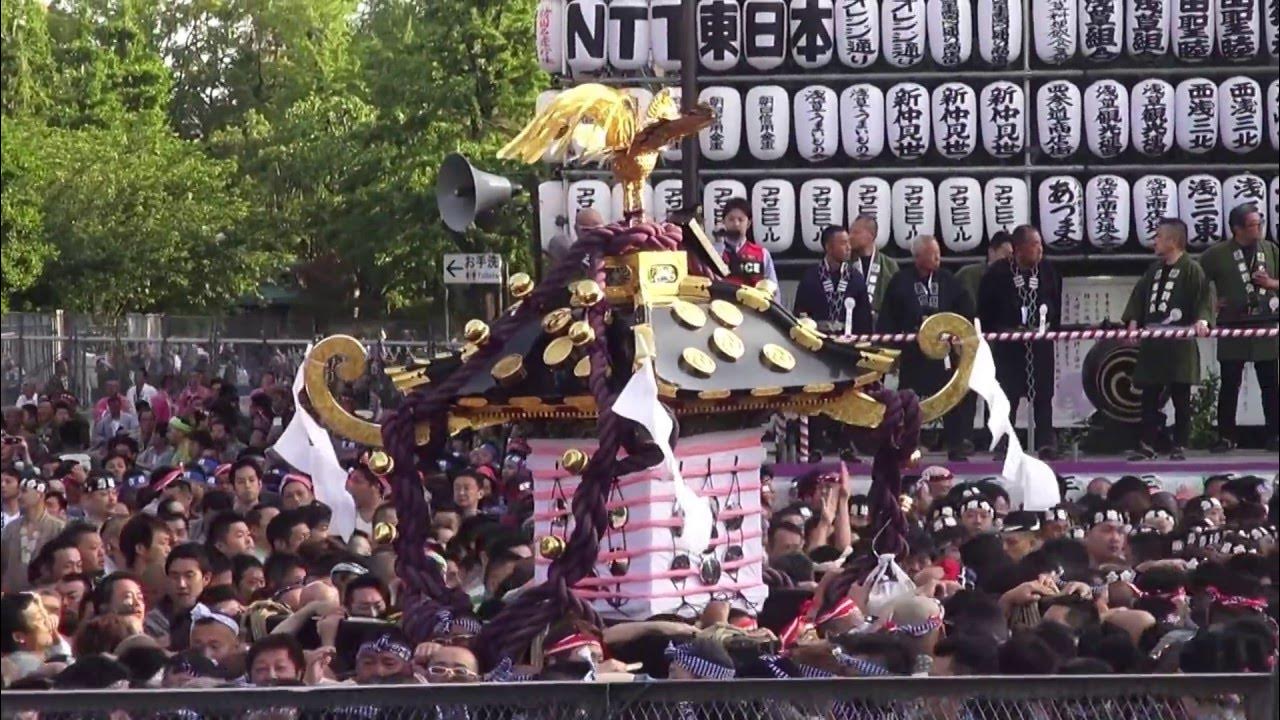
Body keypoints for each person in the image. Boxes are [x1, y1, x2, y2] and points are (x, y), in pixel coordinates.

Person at [1122, 218, 1213, 461]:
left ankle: (1180, 444)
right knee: (1149, 396)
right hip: (1154, 340)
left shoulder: (1192, 269)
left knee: (1181, 396)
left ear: (1173, 241)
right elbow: (1139, 296)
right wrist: (1132, 321)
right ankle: (1147, 444)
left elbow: (1204, 297)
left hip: (1180, 340)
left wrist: (1202, 320)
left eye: (1159, 237)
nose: (1155, 241)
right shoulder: (1154, 269)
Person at [878, 236, 976, 461]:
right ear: (918, 256)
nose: (938, 258)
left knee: (950, 397)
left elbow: (965, 310)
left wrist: (954, 332)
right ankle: (908, 443)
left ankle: (956, 443)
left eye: (939, 253)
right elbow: (888, 318)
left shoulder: (947, 280)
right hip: (913, 351)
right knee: (909, 399)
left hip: (942, 351)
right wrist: (893, 348)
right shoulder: (900, 281)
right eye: (933, 254)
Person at [1197, 203, 1280, 452]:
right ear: (1237, 229)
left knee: (1271, 384)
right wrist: (1212, 303)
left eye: (1260, 223)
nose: (1259, 229)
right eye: (1254, 225)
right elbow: (1198, 282)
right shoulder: (1217, 254)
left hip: (1266, 324)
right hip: (1232, 324)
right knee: (1230, 383)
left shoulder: (1271, 249)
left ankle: (1275, 435)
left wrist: (1271, 282)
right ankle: (1226, 436)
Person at [978, 224, 1062, 458]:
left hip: (1040, 344)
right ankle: (1005, 443)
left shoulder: (1047, 270)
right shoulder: (998, 273)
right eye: (1035, 244)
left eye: (1040, 244)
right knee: (1007, 396)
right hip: (1009, 345)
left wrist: (1049, 326)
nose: (1040, 249)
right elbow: (985, 310)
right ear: (1020, 249)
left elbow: (1055, 302)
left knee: (1043, 395)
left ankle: (1046, 441)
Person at [793, 225, 872, 335]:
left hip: (849, 342)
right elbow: (800, 313)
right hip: (817, 340)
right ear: (829, 247)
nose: (849, 247)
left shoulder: (855, 277)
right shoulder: (811, 276)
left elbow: (864, 318)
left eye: (849, 243)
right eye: (843, 243)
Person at [1, 468, 66, 592]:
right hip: (11, 594)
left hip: (43, 593)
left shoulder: (58, 528)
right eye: (19, 492)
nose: (19, 497)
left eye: (24, 492)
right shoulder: (11, 528)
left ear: (40, 495)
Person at [712, 197, 780, 297]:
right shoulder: (712, 251)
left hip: (753, 308)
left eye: (741, 220)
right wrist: (718, 243)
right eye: (731, 219)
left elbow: (773, 290)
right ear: (723, 222)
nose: (736, 224)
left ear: (748, 223)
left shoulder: (761, 254)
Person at [848, 214, 900, 320]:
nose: (850, 236)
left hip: (882, 324)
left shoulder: (889, 265)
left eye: (856, 232)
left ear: (871, 235)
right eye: (850, 232)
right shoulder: (845, 263)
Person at [956, 231, 1013, 307]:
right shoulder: (967, 274)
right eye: (1006, 254)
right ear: (991, 252)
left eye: (1012, 257)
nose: (1009, 260)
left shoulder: (1014, 278)